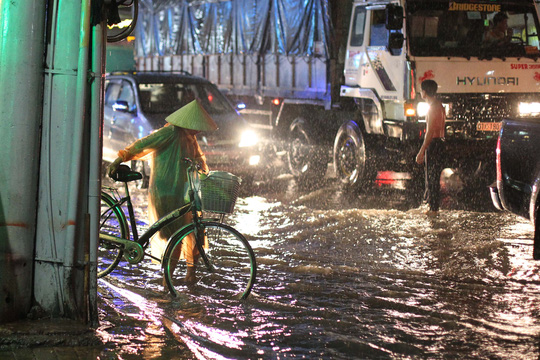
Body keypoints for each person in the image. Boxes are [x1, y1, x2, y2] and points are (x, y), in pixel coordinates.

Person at [108, 99, 218, 283]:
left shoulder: (190, 137)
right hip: (166, 192)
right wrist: (119, 159)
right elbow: (143, 144)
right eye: (197, 126)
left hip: (184, 192)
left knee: (196, 231)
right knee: (176, 237)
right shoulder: (171, 132)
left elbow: (200, 160)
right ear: (189, 123)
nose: (199, 130)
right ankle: (168, 279)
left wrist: (205, 173)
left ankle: (191, 274)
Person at [415, 80, 446, 217]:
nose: (421, 92)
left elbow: (430, 132)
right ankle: (432, 206)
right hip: (440, 143)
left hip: (434, 144)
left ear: (425, 92)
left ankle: (433, 209)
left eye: (421, 90)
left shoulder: (433, 107)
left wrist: (422, 151)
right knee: (433, 176)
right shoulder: (439, 105)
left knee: (431, 177)